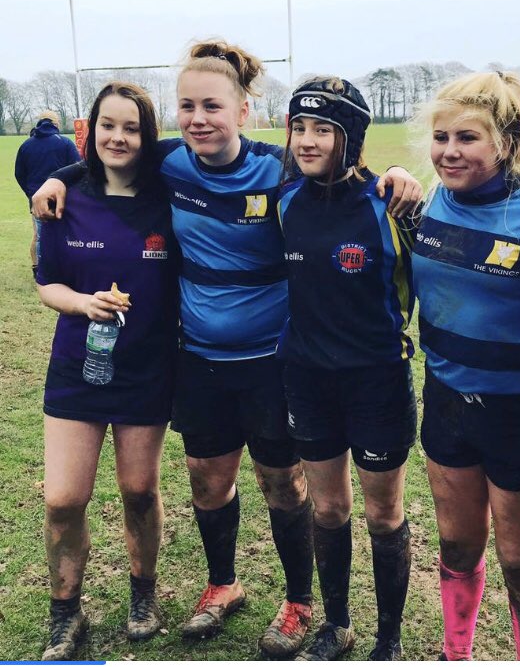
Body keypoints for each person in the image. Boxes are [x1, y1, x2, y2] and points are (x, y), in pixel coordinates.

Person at [32, 41, 422, 658]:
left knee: (283, 485)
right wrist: (57, 176)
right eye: (187, 106)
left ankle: (299, 602)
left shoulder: (280, 167)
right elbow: (107, 158)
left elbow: (343, 173)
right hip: (198, 358)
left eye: (212, 106)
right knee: (208, 483)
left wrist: (394, 175)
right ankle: (222, 584)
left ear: (243, 110)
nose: (198, 119)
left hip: (274, 360)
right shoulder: (169, 162)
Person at [410, 71, 520, 660]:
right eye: (441, 137)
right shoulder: (424, 204)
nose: (449, 151)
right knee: (456, 546)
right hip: (446, 401)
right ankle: (457, 654)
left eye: (467, 138)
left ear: (506, 142)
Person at [35, 83, 178, 660]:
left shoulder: (169, 194)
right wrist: (81, 303)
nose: (118, 137)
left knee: (139, 491)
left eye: (132, 127)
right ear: (90, 130)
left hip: (147, 366)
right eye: (107, 125)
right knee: (63, 499)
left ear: (148, 135)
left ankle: (144, 596)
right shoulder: (63, 200)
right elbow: (47, 284)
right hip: (78, 367)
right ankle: (65, 612)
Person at [276, 77, 417, 661]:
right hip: (307, 380)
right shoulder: (285, 201)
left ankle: (388, 639)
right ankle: (336, 625)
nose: (307, 141)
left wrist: (404, 175)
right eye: (299, 127)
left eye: (322, 130)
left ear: (350, 137)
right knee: (330, 508)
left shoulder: (392, 203)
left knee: (384, 513)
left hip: (377, 381)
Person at [15, 110, 79, 275]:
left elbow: (19, 174)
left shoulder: (26, 145)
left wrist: (31, 193)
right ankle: (60, 269)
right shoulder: (65, 143)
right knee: (65, 234)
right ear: (55, 124)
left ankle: (38, 269)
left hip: (36, 198)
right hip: (62, 198)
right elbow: (78, 169)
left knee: (39, 235)